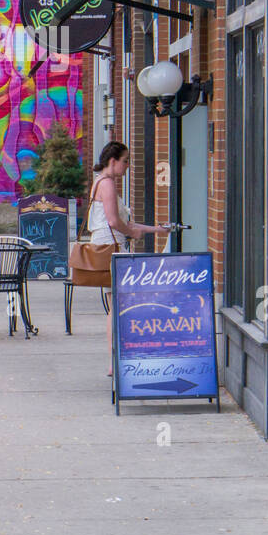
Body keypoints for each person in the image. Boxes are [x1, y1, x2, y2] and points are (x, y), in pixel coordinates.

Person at [87, 142, 172, 374]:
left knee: (117, 305)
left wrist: (156, 230)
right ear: (112, 161)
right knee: (117, 306)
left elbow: (124, 223)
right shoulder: (107, 185)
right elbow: (115, 222)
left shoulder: (100, 183)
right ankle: (115, 361)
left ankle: (116, 360)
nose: (127, 166)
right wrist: (133, 233)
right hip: (112, 249)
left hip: (108, 246)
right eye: (125, 161)